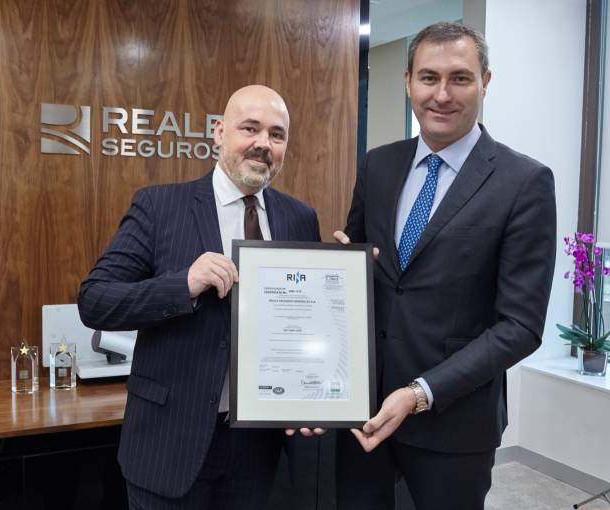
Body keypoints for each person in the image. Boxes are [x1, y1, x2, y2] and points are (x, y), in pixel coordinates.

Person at [334, 22, 556, 510]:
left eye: (460, 78)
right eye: (429, 77)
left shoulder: (524, 182)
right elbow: (365, 266)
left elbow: (520, 326)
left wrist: (419, 393)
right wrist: (340, 268)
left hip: (455, 427)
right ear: (408, 81)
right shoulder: (377, 165)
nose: (442, 94)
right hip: (363, 413)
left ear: (485, 82)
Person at [78, 84, 321, 510]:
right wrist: (183, 284)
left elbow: (304, 322)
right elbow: (95, 300)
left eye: (277, 134)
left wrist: (312, 396)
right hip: (169, 443)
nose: (263, 144)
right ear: (219, 132)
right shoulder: (159, 207)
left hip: (257, 449)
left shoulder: (300, 218)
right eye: (250, 128)